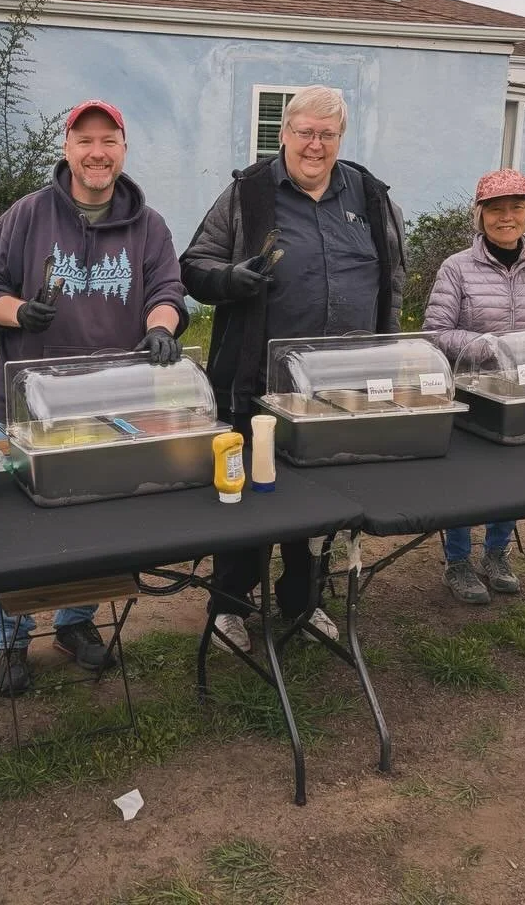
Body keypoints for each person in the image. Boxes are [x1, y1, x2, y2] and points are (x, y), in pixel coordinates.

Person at [0, 99, 188, 695]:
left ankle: (76, 624)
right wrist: (18, 311)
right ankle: (10, 639)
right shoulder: (27, 216)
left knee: (99, 526)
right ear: (67, 148)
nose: (97, 152)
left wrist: (161, 326)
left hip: (113, 408)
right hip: (24, 406)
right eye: (85, 140)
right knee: (14, 533)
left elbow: (167, 290)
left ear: (123, 149)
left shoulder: (150, 226)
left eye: (108, 140)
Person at [180, 86, 405, 651]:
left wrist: (389, 356)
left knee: (323, 498)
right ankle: (230, 606)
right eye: (305, 132)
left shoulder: (371, 197)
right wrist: (231, 279)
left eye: (327, 135)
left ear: (340, 139)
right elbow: (194, 265)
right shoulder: (248, 194)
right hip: (257, 382)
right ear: (283, 133)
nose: (315, 144)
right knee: (249, 495)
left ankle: (303, 603)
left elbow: (392, 280)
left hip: (339, 388)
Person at [423, 167, 525, 604]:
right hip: (470, 390)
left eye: (516, 208)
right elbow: (435, 333)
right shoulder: (458, 268)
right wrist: (490, 347)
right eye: (496, 210)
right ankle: (458, 560)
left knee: (513, 476)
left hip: (524, 389)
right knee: (466, 478)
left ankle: (497, 552)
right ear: (480, 216)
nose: (506, 217)